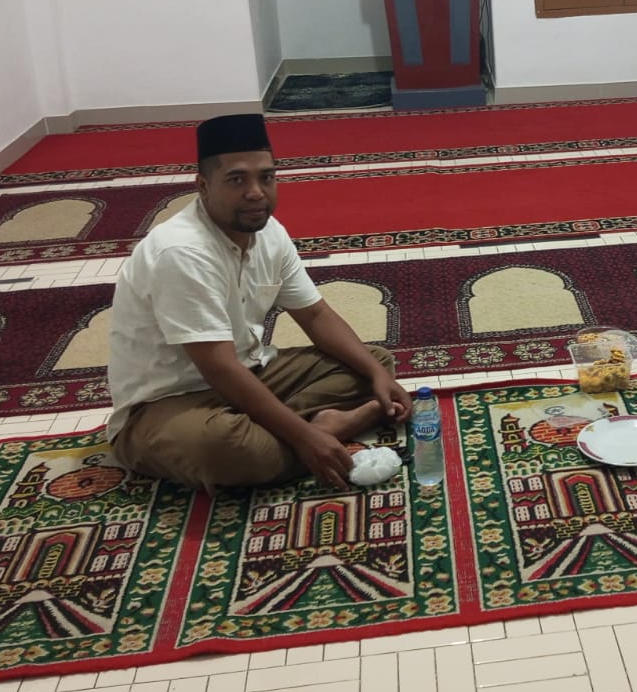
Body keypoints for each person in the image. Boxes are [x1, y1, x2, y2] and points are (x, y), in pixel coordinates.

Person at [105, 113, 410, 491]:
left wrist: (378, 375)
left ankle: (289, 430)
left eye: (266, 177)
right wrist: (304, 436)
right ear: (203, 186)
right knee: (231, 450)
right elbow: (218, 368)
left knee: (373, 362)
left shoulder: (269, 232)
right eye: (237, 180)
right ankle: (327, 429)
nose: (255, 193)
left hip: (249, 372)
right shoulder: (181, 252)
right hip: (168, 401)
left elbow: (315, 315)